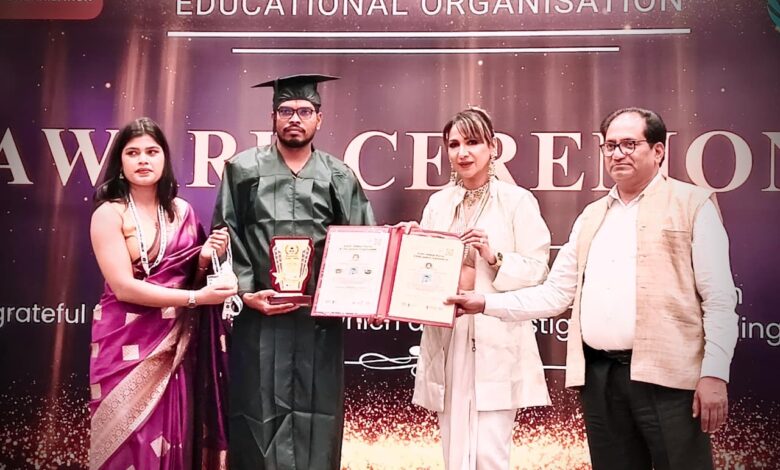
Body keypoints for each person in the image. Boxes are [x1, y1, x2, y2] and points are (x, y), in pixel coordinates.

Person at [447, 107, 739, 470]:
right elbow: (555, 293)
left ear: (658, 151)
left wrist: (714, 373)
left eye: (629, 144)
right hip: (600, 380)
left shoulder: (692, 205)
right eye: (610, 146)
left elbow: (719, 300)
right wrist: (484, 303)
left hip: (670, 381)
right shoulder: (592, 215)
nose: (618, 154)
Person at [212, 74, 375, 469]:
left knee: (318, 416)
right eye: (286, 111)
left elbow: (362, 240)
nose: (295, 119)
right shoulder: (243, 169)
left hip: (318, 323)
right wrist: (246, 293)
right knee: (256, 411)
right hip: (259, 319)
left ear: (319, 118)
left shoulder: (339, 176)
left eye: (304, 111)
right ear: (273, 117)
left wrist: (355, 294)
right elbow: (225, 233)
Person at [88, 117, 237, 469]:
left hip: (174, 346)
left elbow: (189, 276)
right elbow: (124, 287)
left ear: (164, 159)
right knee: (128, 442)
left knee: (171, 437)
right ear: (120, 162)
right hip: (122, 344)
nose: (143, 160)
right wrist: (197, 299)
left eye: (152, 152)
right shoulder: (109, 214)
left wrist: (204, 258)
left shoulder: (181, 211)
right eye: (133, 153)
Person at [409, 107, 552, 469]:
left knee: (490, 453)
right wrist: (410, 246)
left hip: (495, 335)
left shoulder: (517, 201)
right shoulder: (439, 203)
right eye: (454, 144)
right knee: (454, 454)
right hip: (449, 334)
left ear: (493, 147)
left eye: (473, 142)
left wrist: (494, 256)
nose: (463, 153)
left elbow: (538, 271)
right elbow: (423, 273)